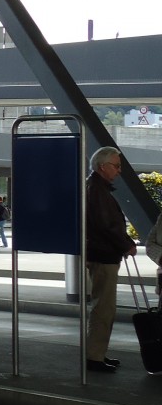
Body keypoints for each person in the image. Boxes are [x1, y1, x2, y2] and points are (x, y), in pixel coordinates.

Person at [84, 146, 137, 373]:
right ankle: (94, 356)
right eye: (116, 165)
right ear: (103, 166)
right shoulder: (97, 190)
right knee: (103, 308)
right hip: (103, 255)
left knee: (103, 306)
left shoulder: (95, 187)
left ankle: (97, 353)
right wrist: (126, 245)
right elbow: (107, 225)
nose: (119, 170)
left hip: (101, 253)